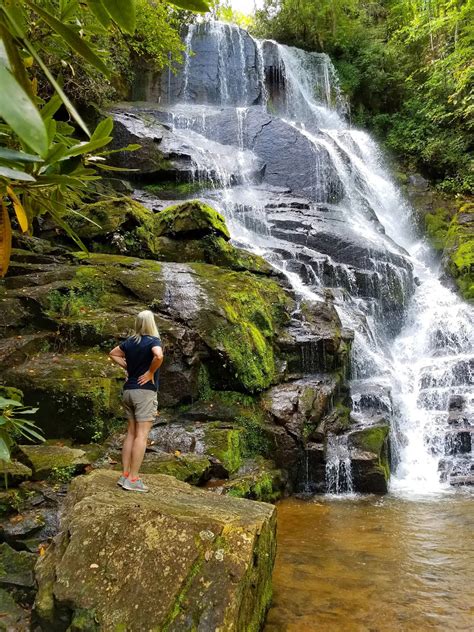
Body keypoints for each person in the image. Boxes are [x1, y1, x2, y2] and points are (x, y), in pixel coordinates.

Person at [109, 310, 163, 493]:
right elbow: (159, 356)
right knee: (142, 435)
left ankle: (124, 475)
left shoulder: (130, 342)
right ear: (151, 323)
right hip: (144, 393)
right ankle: (133, 479)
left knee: (131, 433)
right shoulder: (153, 341)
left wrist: (129, 368)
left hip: (129, 391)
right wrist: (149, 373)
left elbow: (113, 353)